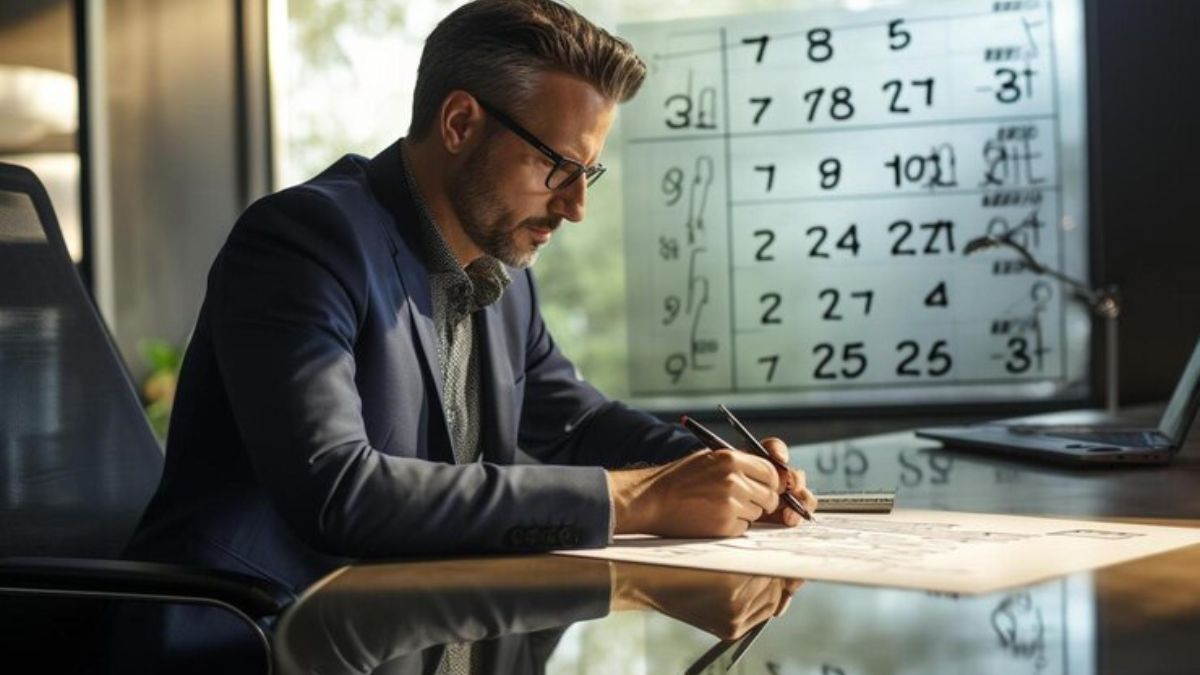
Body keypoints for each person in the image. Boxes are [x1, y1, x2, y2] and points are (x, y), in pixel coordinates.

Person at [124, 0, 818, 597]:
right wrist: (642, 498)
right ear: (460, 124)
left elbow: (575, 424)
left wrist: (720, 467)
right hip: (254, 633)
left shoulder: (501, 269)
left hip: (417, 625)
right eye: (557, 168)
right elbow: (338, 491)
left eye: (588, 174)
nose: (576, 207)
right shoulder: (303, 242)